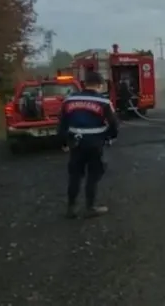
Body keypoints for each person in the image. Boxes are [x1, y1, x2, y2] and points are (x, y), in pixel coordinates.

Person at [57, 71, 119, 219]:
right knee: (93, 175)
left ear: (84, 84)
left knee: (75, 176)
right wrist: (110, 137)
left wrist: (64, 142)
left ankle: (71, 208)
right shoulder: (103, 102)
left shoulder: (69, 100)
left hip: (76, 144)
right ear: (99, 85)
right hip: (95, 144)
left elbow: (62, 124)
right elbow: (114, 124)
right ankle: (90, 207)